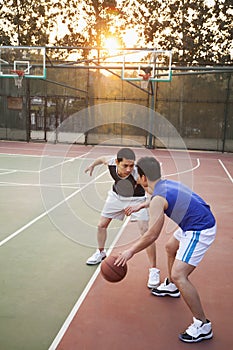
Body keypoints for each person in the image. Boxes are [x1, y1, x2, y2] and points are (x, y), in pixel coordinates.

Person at [115, 156, 217, 343]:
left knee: (180, 274)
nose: (137, 180)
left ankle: (203, 325)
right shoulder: (164, 185)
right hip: (195, 221)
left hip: (199, 229)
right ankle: (171, 286)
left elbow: (152, 235)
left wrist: (130, 251)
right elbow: (161, 198)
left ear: (144, 177)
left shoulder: (158, 198)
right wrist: (143, 204)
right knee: (170, 247)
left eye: (138, 177)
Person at [84, 148, 160, 288]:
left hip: (137, 199)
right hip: (116, 197)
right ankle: (100, 252)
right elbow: (101, 158)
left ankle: (154, 270)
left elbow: (154, 193)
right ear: (117, 162)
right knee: (101, 225)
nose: (129, 169)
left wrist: (143, 205)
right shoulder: (111, 162)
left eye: (131, 165)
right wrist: (92, 166)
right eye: (125, 165)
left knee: (146, 232)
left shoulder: (137, 175)